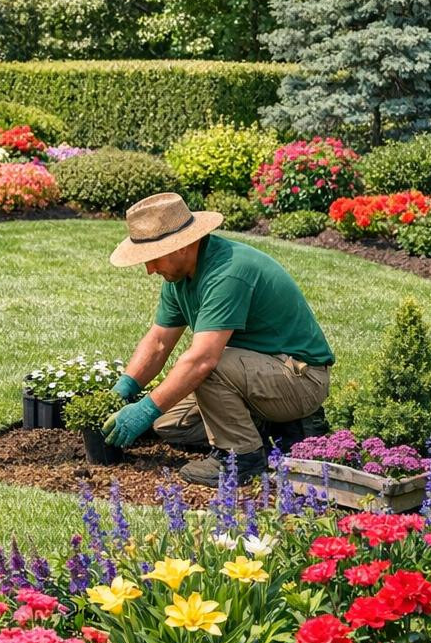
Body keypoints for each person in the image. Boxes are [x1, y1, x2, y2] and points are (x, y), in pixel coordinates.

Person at [102, 192, 334, 487]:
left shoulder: (227, 272)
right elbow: (159, 342)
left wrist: (145, 408)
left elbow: (202, 360)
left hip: (301, 380)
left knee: (206, 366)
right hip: (262, 373)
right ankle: (278, 430)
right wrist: (124, 390)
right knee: (169, 424)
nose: (149, 270)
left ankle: (242, 457)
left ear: (182, 246)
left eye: (153, 258)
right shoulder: (180, 277)